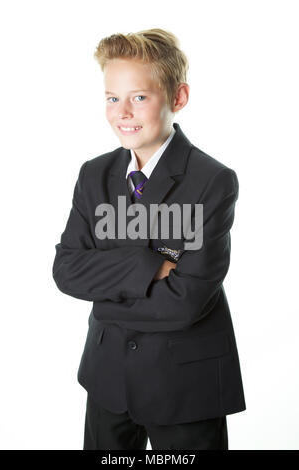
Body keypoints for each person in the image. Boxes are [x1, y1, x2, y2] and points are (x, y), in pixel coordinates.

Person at [52, 28, 246, 450]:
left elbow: (188, 299)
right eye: (111, 98)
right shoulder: (94, 174)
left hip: (184, 385)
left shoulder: (212, 181)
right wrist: (149, 265)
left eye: (139, 97)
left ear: (178, 98)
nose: (122, 112)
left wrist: (105, 297)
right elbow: (66, 269)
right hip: (108, 378)